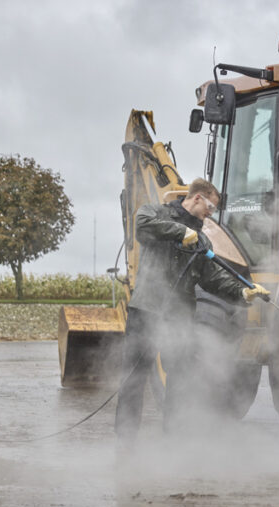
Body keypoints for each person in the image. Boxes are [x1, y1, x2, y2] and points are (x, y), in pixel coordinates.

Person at [115, 178, 269, 451]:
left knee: (181, 379)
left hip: (180, 316)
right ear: (197, 198)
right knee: (134, 377)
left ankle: (175, 440)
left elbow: (212, 278)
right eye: (210, 206)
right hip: (148, 311)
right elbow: (142, 227)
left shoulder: (203, 239)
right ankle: (125, 443)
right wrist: (178, 231)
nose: (211, 213)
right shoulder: (155, 213)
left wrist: (242, 293)